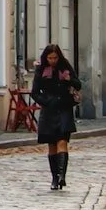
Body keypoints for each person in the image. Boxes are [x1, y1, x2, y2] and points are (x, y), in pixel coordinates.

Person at [31, 43, 81, 190]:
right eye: (50, 58)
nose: (53, 60)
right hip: (49, 111)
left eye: (55, 57)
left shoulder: (65, 67)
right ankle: (54, 178)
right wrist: (46, 101)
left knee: (62, 141)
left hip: (64, 108)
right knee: (52, 145)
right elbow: (34, 92)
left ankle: (62, 176)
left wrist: (68, 80)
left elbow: (78, 84)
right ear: (46, 58)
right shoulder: (41, 71)